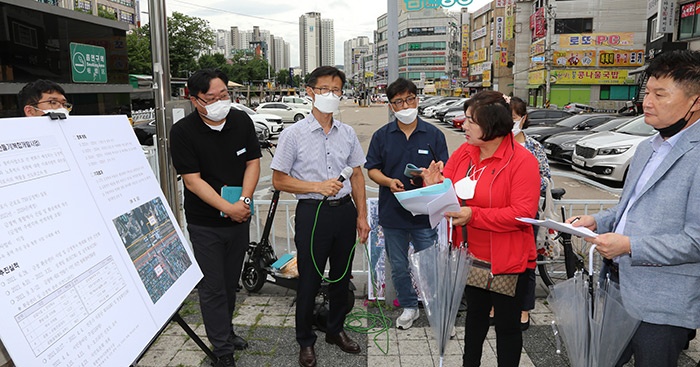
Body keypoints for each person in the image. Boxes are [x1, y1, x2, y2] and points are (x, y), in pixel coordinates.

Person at [571, 50, 700, 367]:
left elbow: (696, 240)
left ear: (695, 102)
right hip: (616, 289)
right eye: (647, 92)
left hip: (663, 305)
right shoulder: (646, 148)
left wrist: (629, 246)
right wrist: (596, 221)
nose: (648, 102)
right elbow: (628, 210)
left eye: (660, 94)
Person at [423, 91, 540, 367]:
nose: (463, 125)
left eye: (471, 121)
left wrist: (473, 215)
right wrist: (433, 185)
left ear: (492, 126)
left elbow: (522, 214)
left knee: (507, 326)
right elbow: (448, 189)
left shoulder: (522, 162)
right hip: (470, 254)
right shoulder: (465, 152)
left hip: (508, 260)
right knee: (474, 319)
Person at [271, 66, 370, 367]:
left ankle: (335, 330)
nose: (331, 94)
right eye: (324, 88)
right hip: (312, 212)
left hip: (344, 213)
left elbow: (357, 177)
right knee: (310, 280)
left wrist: (362, 217)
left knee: (341, 277)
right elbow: (278, 180)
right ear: (310, 91)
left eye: (336, 89)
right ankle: (305, 340)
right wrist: (317, 186)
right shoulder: (294, 134)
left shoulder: (348, 133)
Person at [169, 69, 261, 367]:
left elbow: (253, 163)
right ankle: (221, 350)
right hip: (205, 223)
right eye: (212, 98)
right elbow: (193, 181)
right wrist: (227, 206)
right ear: (196, 100)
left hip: (239, 218)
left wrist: (244, 202)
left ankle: (226, 331)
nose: (221, 101)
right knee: (212, 287)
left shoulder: (241, 120)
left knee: (230, 283)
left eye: (224, 95)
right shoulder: (183, 132)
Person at [364, 77, 449, 330]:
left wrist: (432, 177)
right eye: (398, 101)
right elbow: (372, 169)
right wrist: (389, 181)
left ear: (417, 99)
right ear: (391, 106)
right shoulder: (382, 136)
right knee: (399, 266)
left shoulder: (434, 134)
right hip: (393, 214)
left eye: (409, 99)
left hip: (425, 215)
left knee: (430, 266)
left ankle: (437, 310)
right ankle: (410, 307)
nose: (405, 105)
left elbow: (444, 170)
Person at [508, 96, 552, 331]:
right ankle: (497, 307)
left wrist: (526, 183)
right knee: (499, 262)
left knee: (527, 262)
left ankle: (524, 310)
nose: (509, 123)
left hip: (527, 215)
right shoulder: (496, 144)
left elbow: (546, 178)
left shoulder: (534, 147)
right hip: (501, 214)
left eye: (513, 118)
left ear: (523, 119)